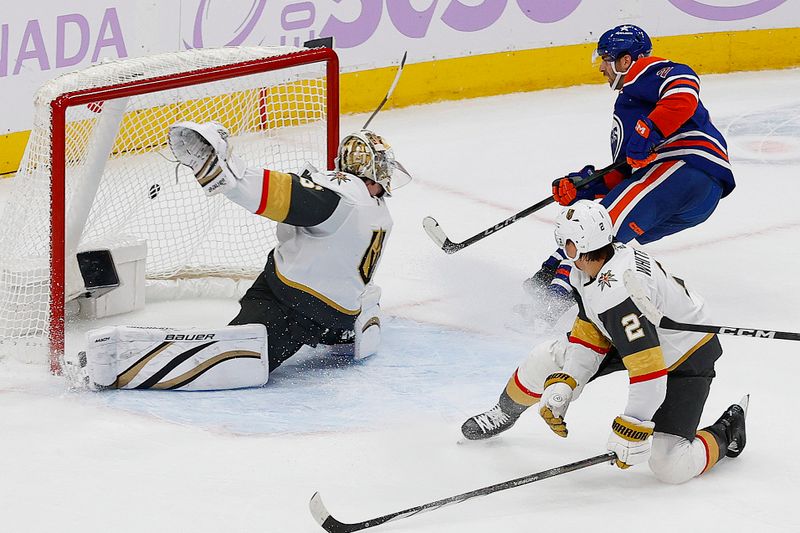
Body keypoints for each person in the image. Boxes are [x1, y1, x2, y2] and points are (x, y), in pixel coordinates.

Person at [78, 122, 411, 391]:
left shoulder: (344, 194)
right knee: (282, 275)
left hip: (293, 304)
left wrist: (233, 178)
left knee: (243, 348)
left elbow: (289, 196)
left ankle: (121, 363)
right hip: (340, 310)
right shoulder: (381, 212)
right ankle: (340, 333)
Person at [463, 201, 747, 484]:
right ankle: (504, 412)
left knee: (671, 466)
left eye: (564, 242)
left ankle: (728, 429)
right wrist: (569, 379)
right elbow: (591, 329)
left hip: (685, 353)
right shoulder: (590, 268)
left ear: (576, 245)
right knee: (545, 359)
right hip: (640, 336)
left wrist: (632, 425)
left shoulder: (619, 292)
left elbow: (649, 370)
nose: (562, 249)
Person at [525, 24, 735, 322]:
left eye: (606, 58)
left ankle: (549, 300)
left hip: (685, 166)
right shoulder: (628, 107)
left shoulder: (644, 73)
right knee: (609, 243)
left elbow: (684, 88)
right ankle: (563, 285)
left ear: (626, 60)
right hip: (695, 196)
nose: (601, 67)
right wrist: (583, 186)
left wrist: (651, 128)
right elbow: (628, 172)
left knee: (595, 226)